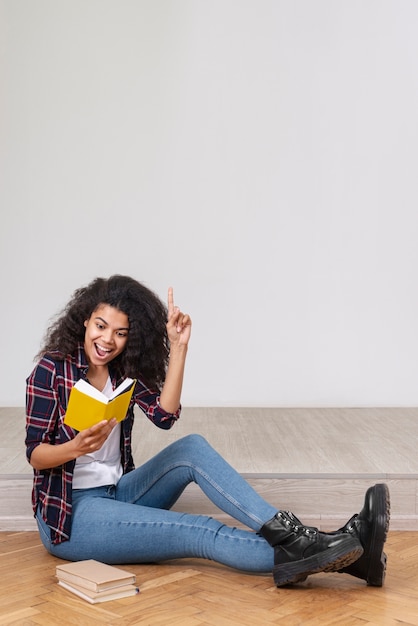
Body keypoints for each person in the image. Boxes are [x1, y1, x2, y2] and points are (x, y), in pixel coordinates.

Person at [25, 275, 390, 587]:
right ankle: (341, 549)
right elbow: (35, 455)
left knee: (192, 449)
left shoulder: (122, 370)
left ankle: (310, 542)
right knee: (198, 530)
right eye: (101, 326)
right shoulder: (51, 371)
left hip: (118, 493)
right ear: (84, 321)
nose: (108, 341)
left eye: (120, 333)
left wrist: (179, 347)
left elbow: (164, 415)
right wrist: (75, 447)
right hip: (70, 516)